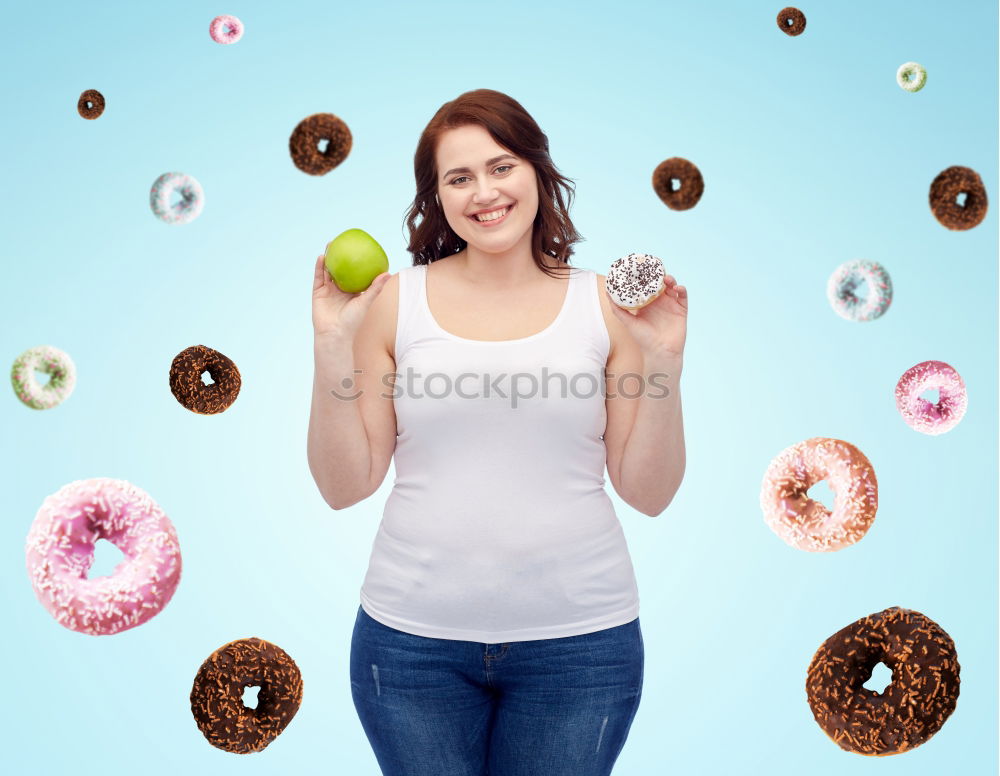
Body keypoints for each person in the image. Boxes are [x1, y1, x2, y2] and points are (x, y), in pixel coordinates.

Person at [307, 88, 687, 776]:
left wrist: (662, 364)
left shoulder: (606, 304)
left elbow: (649, 492)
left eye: (502, 165)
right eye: (459, 177)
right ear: (437, 198)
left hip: (582, 649)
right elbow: (344, 485)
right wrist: (333, 346)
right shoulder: (392, 303)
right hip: (409, 648)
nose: (485, 192)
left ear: (538, 171)